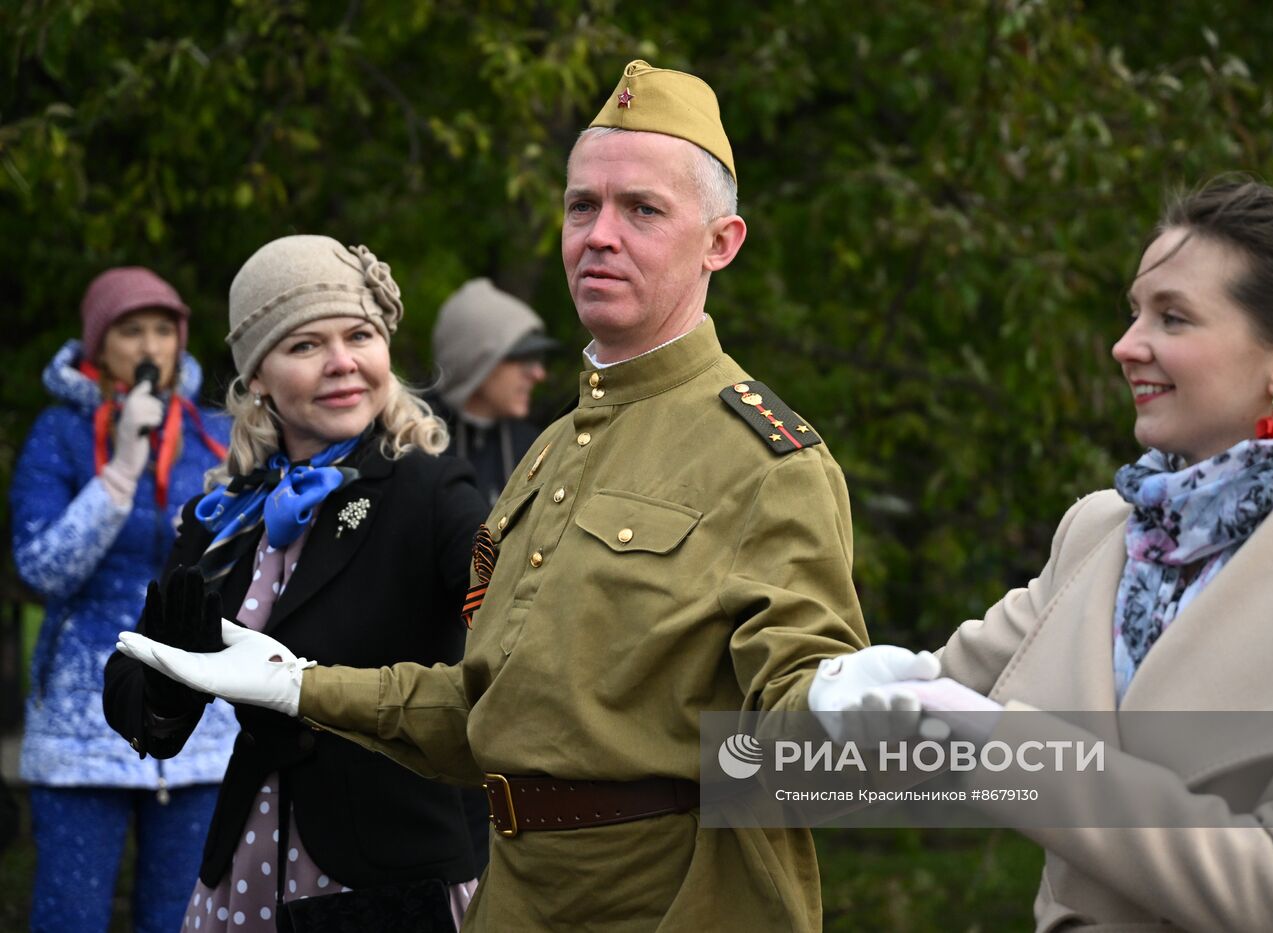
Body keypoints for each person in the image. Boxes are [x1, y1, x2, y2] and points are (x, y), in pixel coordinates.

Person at [112, 60, 905, 931]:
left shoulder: (766, 460)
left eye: (642, 209)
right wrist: (297, 684)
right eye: (581, 206)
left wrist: (841, 705)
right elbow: (484, 714)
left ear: (721, 242)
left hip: (666, 902)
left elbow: (794, 729)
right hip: (515, 898)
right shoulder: (553, 451)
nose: (599, 234)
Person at [813, 179, 1273, 931]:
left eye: (1174, 317)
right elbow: (934, 700)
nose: (1126, 345)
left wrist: (1013, 752)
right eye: (1135, 311)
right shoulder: (1101, 528)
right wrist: (851, 691)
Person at [103, 235, 489, 931]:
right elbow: (138, 708)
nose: (343, 362)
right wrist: (167, 680)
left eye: (360, 335)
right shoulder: (223, 516)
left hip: (393, 872)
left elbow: (515, 606)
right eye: (306, 345)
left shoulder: (430, 489)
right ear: (257, 377)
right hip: (251, 862)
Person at [10, 266, 236, 933]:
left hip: (198, 719)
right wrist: (122, 468)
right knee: (70, 918)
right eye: (130, 329)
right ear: (96, 343)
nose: (149, 345)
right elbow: (42, 566)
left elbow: (244, 564)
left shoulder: (214, 431)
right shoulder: (59, 433)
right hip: (82, 729)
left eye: (163, 329)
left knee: (184, 920)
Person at [427, 278, 558, 503]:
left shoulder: (534, 449)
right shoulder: (411, 440)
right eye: (524, 360)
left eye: (538, 360)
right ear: (478, 361)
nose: (538, 374)